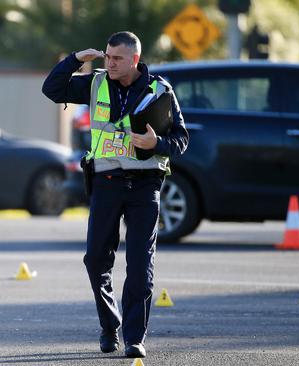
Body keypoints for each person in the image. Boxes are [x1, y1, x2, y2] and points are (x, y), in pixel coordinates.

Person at [42, 31, 188, 358]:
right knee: (95, 259)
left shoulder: (160, 90)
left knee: (139, 266)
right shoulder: (95, 83)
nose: (109, 63)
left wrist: (157, 145)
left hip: (145, 186)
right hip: (106, 182)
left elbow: (181, 139)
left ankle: (135, 338)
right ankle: (110, 325)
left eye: (117, 58)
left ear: (134, 60)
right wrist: (77, 58)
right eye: (107, 56)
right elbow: (51, 89)